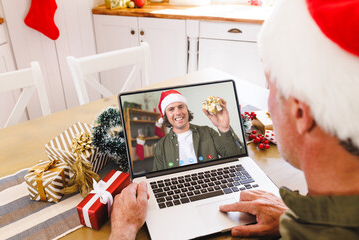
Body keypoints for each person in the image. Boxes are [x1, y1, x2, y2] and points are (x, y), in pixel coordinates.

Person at [110, 0, 359, 239]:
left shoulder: (206, 132)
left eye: (270, 88)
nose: (268, 104)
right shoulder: (163, 144)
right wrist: (292, 217)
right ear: (166, 116)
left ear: (300, 113)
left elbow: (232, 154)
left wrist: (123, 232)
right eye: (171, 109)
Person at [152, 89, 244, 171]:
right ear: (166, 116)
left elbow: (237, 158)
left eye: (181, 107)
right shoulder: (161, 146)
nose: (178, 112)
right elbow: (157, 177)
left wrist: (224, 128)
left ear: (186, 109)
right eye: (171, 109)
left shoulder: (208, 132)